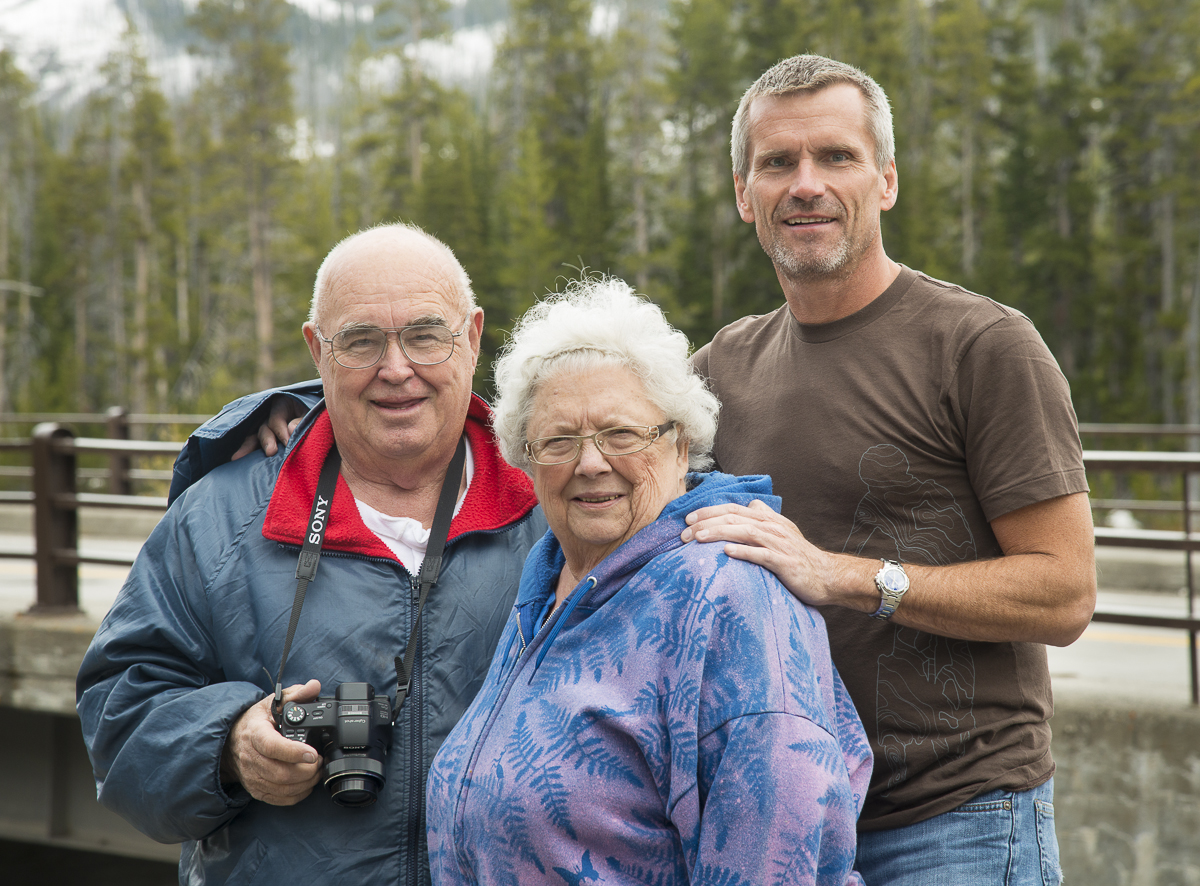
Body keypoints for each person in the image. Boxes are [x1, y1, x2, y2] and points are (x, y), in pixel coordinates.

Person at [679, 55, 1096, 885]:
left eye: (837, 157)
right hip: (786, 826)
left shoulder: (982, 347)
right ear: (742, 193)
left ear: (886, 180)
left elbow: (1064, 593)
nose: (806, 184)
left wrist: (840, 575)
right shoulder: (720, 369)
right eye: (777, 162)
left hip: (960, 818)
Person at [75, 223, 548, 885]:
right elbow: (119, 712)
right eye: (360, 341)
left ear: (471, 338)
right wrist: (229, 743)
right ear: (317, 352)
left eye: (424, 334)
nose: (396, 368)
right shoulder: (219, 517)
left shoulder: (559, 507)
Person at [425, 278, 871, 885]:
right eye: (558, 441)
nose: (589, 462)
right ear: (527, 461)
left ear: (682, 447)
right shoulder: (549, 585)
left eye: (621, 434)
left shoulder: (729, 595)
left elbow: (776, 855)